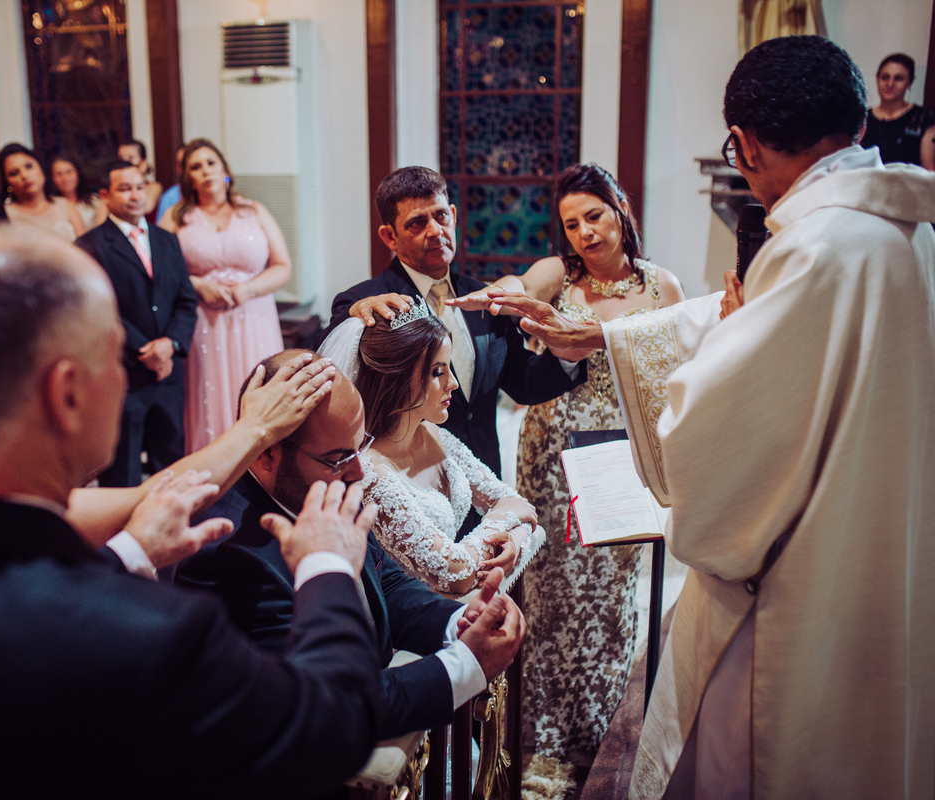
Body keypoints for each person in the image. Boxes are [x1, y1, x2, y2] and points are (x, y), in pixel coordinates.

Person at [0, 225, 386, 798]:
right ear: (66, 392)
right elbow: (330, 727)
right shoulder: (148, 634)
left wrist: (130, 554)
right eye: (116, 357)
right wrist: (327, 565)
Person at [491, 36, 935, 800]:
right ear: (860, 122)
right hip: (888, 551)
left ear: (747, 145)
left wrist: (708, 351)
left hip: (800, 581)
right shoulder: (910, 231)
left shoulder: (817, 247)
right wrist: (603, 337)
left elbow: (716, 429)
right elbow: (726, 318)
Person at [449, 163, 684, 782]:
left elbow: (681, 366)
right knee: (551, 593)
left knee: (609, 593)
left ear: (620, 208)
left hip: (623, 455)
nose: (585, 232)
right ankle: (540, 738)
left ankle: (597, 732)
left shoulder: (663, 286)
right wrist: (495, 293)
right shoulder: (562, 275)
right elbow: (520, 284)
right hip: (554, 451)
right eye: (572, 223)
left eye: (594, 215)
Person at [178, 351, 527, 742]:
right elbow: (331, 704)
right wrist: (466, 665)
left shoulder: (330, 483)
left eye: (360, 447)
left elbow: (385, 582)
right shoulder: (228, 556)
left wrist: (458, 621)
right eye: (339, 458)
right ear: (266, 455)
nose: (359, 472)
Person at [326, 166, 587, 481]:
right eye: (417, 223)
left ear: (453, 215)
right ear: (389, 236)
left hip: (484, 473)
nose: (435, 231)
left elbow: (523, 382)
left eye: (440, 216)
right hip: (409, 479)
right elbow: (332, 357)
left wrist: (566, 356)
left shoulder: (483, 297)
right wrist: (353, 314)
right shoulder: (365, 302)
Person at [320, 307, 538, 594]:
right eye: (438, 372)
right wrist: (503, 521)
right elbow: (455, 573)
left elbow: (513, 502)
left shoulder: (433, 433)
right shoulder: (370, 473)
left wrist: (515, 542)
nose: (453, 383)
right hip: (414, 615)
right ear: (397, 379)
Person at [161, 138, 292, 452]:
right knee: (209, 394)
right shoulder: (176, 217)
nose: (205, 171)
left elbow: (283, 266)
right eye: (196, 167)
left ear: (224, 169)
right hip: (203, 321)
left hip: (254, 318)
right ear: (188, 178)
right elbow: (160, 271)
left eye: (211, 163)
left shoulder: (253, 211)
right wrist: (196, 284)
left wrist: (249, 289)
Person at [76, 161, 198, 486]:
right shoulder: (90, 246)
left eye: (140, 187)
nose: (135, 195)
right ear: (105, 195)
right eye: (125, 189)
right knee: (123, 472)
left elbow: (186, 300)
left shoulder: (166, 240)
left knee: (171, 465)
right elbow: (98, 310)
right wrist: (145, 350)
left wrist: (170, 344)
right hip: (125, 372)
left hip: (168, 373)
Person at [859, 52, 935, 169]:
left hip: (909, 181)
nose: (890, 84)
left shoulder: (924, 119)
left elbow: (929, 172)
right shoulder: (862, 119)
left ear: (910, 82)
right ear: (877, 78)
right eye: (885, 77)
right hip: (867, 181)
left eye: (898, 78)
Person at [0, 143, 86, 241]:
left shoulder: (66, 206)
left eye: (28, 166)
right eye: (14, 173)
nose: (24, 175)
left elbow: (87, 247)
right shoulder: (4, 215)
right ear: (7, 183)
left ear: (41, 168)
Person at [51, 155, 105, 228]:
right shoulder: (50, 207)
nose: (65, 178)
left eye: (69, 172)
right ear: (53, 179)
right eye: (59, 174)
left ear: (77, 174)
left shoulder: (94, 201)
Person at [118, 138, 162, 212]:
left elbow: (145, 208)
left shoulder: (154, 187)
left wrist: (139, 174)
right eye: (121, 158)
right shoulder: (113, 189)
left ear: (143, 162)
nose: (125, 163)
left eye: (130, 158)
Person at [155, 145, 185, 223]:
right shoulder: (169, 198)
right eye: (182, 164)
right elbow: (161, 230)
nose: (187, 168)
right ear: (177, 169)